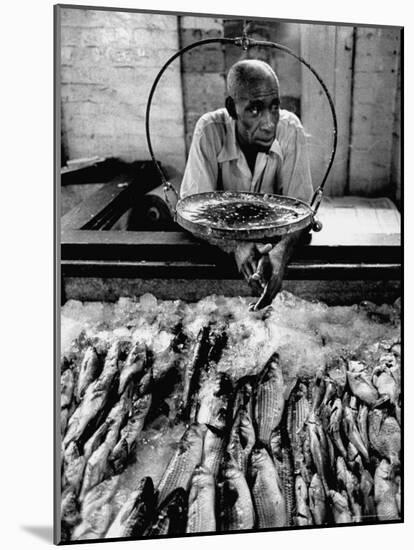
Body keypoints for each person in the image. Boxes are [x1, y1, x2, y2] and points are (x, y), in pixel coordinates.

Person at [180, 59, 313, 309]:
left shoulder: (290, 129)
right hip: (218, 256)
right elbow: (191, 213)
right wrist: (235, 245)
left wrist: (281, 253)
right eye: (254, 110)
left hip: (273, 245)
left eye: (274, 107)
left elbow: (303, 211)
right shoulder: (209, 130)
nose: (269, 123)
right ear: (232, 108)